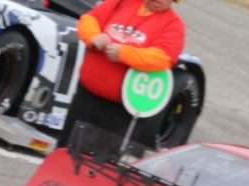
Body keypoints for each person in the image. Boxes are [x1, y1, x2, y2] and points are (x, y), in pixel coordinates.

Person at [66, 0, 185, 148]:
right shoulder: (120, 2)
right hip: (85, 97)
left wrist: (124, 54)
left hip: (120, 113)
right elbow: (90, 18)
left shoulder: (173, 25)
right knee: (64, 151)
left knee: (98, 163)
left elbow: (163, 58)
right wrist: (93, 37)